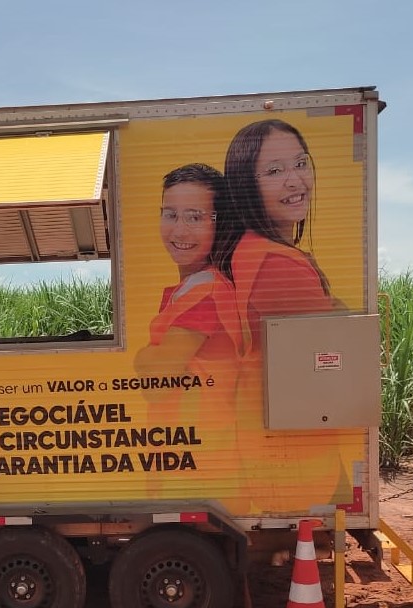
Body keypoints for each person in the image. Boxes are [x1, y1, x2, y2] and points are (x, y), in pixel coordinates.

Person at [223, 119, 355, 513]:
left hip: (274, 448)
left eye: (300, 163)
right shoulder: (279, 264)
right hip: (298, 458)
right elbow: (326, 359)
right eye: (274, 171)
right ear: (247, 186)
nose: (295, 180)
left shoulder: (250, 249)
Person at [133, 164, 246, 508]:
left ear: (220, 223)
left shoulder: (205, 294)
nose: (179, 229)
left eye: (195, 217)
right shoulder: (192, 289)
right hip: (187, 462)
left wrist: (143, 357)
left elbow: (155, 380)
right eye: (170, 214)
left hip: (198, 472)